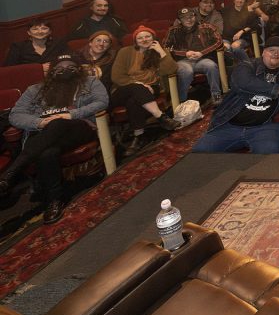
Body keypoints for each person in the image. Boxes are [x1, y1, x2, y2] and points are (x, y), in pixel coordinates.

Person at [1, 53, 107, 223]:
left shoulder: (90, 82)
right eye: (60, 67)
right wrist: (39, 122)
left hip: (77, 128)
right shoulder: (34, 90)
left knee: (58, 123)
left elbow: (102, 101)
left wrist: (71, 114)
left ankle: (11, 172)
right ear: (51, 72)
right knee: (47, 153)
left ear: (78, 69)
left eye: (70, 66)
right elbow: (15, 115)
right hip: (44, 134)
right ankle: (54, 201)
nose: (65, 70)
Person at [192, 37, 279, 154]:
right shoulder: (248, 65)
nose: (276, 54)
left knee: (268, 158)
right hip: (230, 123)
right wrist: (278, 89)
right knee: (199, 153)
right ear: (263, 52)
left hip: (267, 126)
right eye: (271, 50)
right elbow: (244, 82)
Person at [110, 26, 178, 155]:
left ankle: (138, 136)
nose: (144, 39)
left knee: (133, 102)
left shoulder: (159, 51)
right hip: (123, 89)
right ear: (135, 40)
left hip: (151, 88)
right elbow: (117, 77)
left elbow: (171, 70)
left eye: (147, 36)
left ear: (153, 38)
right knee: (136, 90)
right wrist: (138, 84)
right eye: (140, 37)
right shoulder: (125, 52)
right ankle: (160, 116)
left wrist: (161, 52)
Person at [165, 8, 223, 105]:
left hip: (202, 59)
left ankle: (216, 97)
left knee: (211, 66)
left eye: (191, 16)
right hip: (183, 61)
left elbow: (219, 42)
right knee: (187, 71)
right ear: (179, 21)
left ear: (195, 17)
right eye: (184, 18)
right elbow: (166, 48)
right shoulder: (173, 31)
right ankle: (181, 101)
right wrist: (185, 53)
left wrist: (202, 53)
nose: (189, 20)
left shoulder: (207, 27)